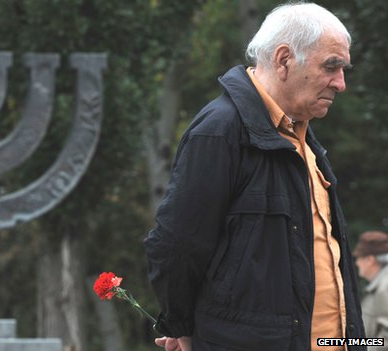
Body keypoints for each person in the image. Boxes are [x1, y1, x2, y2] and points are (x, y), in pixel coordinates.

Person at [143, 2, 366, 351]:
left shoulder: (300, 134)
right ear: (283, 60)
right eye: (331, 67)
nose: (341, 83)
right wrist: (182, 326)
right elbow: (176, 246)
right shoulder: (221, 130)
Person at [354, 231, 388, 349]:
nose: (357, 263)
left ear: (370, 260)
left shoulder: (384, 288)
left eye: (359, 257)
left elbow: (385, 340)